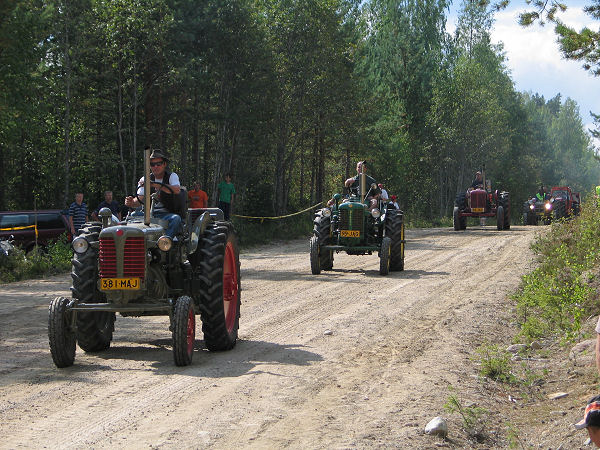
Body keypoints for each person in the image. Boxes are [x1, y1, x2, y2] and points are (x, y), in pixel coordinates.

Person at [124, 149, 182, 238]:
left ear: (164, 164)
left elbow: (176, 190)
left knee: (176, 219)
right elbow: (139, 200)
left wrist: (153, 184)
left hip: (166, 214)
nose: (156, 167)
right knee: (132, 216)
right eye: (152, 164)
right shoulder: (145, 178)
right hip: (147, 214)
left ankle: (164, 243)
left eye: (159, 164)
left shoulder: (172, 176)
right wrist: (131, 202)